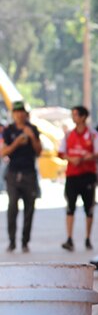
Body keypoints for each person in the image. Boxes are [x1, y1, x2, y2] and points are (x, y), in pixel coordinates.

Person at [57, 105, 98, 251]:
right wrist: (70, 159)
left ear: (83, 117)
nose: (74, 118)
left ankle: (87, 238)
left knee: (88, 208)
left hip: (87, 175)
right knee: (70, 207)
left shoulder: (92, 135)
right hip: (72, 175)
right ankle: (69, 238)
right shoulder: (68, 135)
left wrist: (90, 156)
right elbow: (60, 152)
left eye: (76, 115)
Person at [2, 101, 42, 252]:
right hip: (13, 173)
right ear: (13, 114)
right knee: (12, 207)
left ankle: (25, 241)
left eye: (21, 111)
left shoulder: (33, 129)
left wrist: (32, 137)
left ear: (26, 113)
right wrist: (16, 143)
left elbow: (39, 152)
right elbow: (3, 152)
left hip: (29, 173)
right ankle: (12, 241)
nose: (19, 114)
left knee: (29, 209)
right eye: (16, 112)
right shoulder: (9, 130)